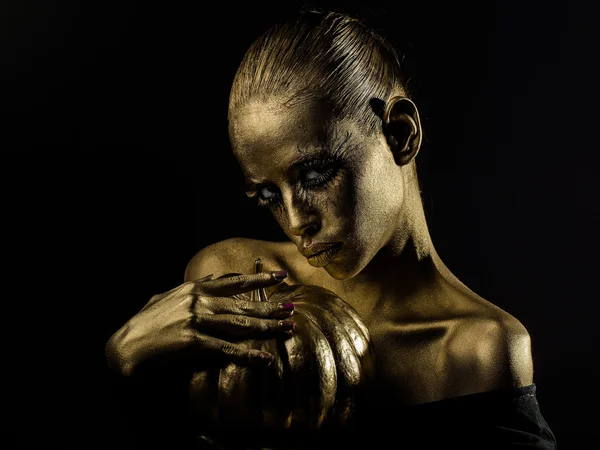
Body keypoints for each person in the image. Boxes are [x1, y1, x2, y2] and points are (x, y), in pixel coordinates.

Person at [106, 9, 557, 449]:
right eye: (267, 195)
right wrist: (124, 360)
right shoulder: (229, 281)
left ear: (400, 134)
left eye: (317, 174)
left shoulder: (477, 352)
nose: (297, 220)